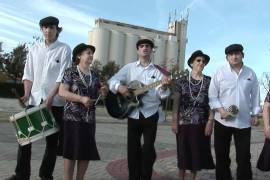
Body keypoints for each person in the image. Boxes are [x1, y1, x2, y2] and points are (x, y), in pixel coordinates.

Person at [6, 16, 72, 180]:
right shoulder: (34, 49)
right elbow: (28, 74)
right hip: (34, 101)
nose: (48, 30)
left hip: (55, 103)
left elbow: (63, 77)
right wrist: (27, 94)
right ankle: (21, 174)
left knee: (51, 143)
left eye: (52, 27)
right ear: (41, 30)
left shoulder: (64, 49)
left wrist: (50, 97)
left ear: (57, 29)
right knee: (25, 139)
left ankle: (46, 176)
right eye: (45, 27)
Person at [108, 39, 170, 180]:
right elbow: (112, 81)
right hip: (133, 113)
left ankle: (146, 176)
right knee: (132, 150)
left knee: (148, 150)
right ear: (137, 50)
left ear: (151, 50)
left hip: (150, 114)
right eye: (141, 46)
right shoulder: (129, 68)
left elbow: (162, 95)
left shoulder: (158, 71)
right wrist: (120, 87)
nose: (145, 48)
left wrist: (165, 87)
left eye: (148, 46)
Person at [208, 44, 260, 180]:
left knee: (243, 157)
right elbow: (212, 96)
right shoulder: (219, 72)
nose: (234, 56)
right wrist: (221, 110)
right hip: (222, 121)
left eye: (237, 53)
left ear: (242, 55)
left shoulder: (250, 73)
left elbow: (255, 96)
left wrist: (255, 114)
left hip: (243, 122)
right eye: (231, 54)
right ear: (227, 57)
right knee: (221, 156)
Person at [58, 43, 108, 180]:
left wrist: (103, 91)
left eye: (92, 53)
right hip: (72, 118)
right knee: (70, 152)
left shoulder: (95, 75)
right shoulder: (70, 71)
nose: (91, 55)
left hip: (89, 119)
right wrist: (81, 99)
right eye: (88, 52)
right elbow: (62, 92)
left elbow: (99, 93)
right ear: (79, 56)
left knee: (85, 152)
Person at [171, 50, 215, 180]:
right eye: (198, 60)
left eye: (203, 61)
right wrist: (174, 121)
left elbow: (212, 103)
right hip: (184, 123)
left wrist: (210, 122)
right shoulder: (181, 81)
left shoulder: (209, 81)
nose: (201, 63)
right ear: (191, 63)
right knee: (183, 154)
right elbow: (176, 103)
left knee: (196, 155)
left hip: (201, 124)